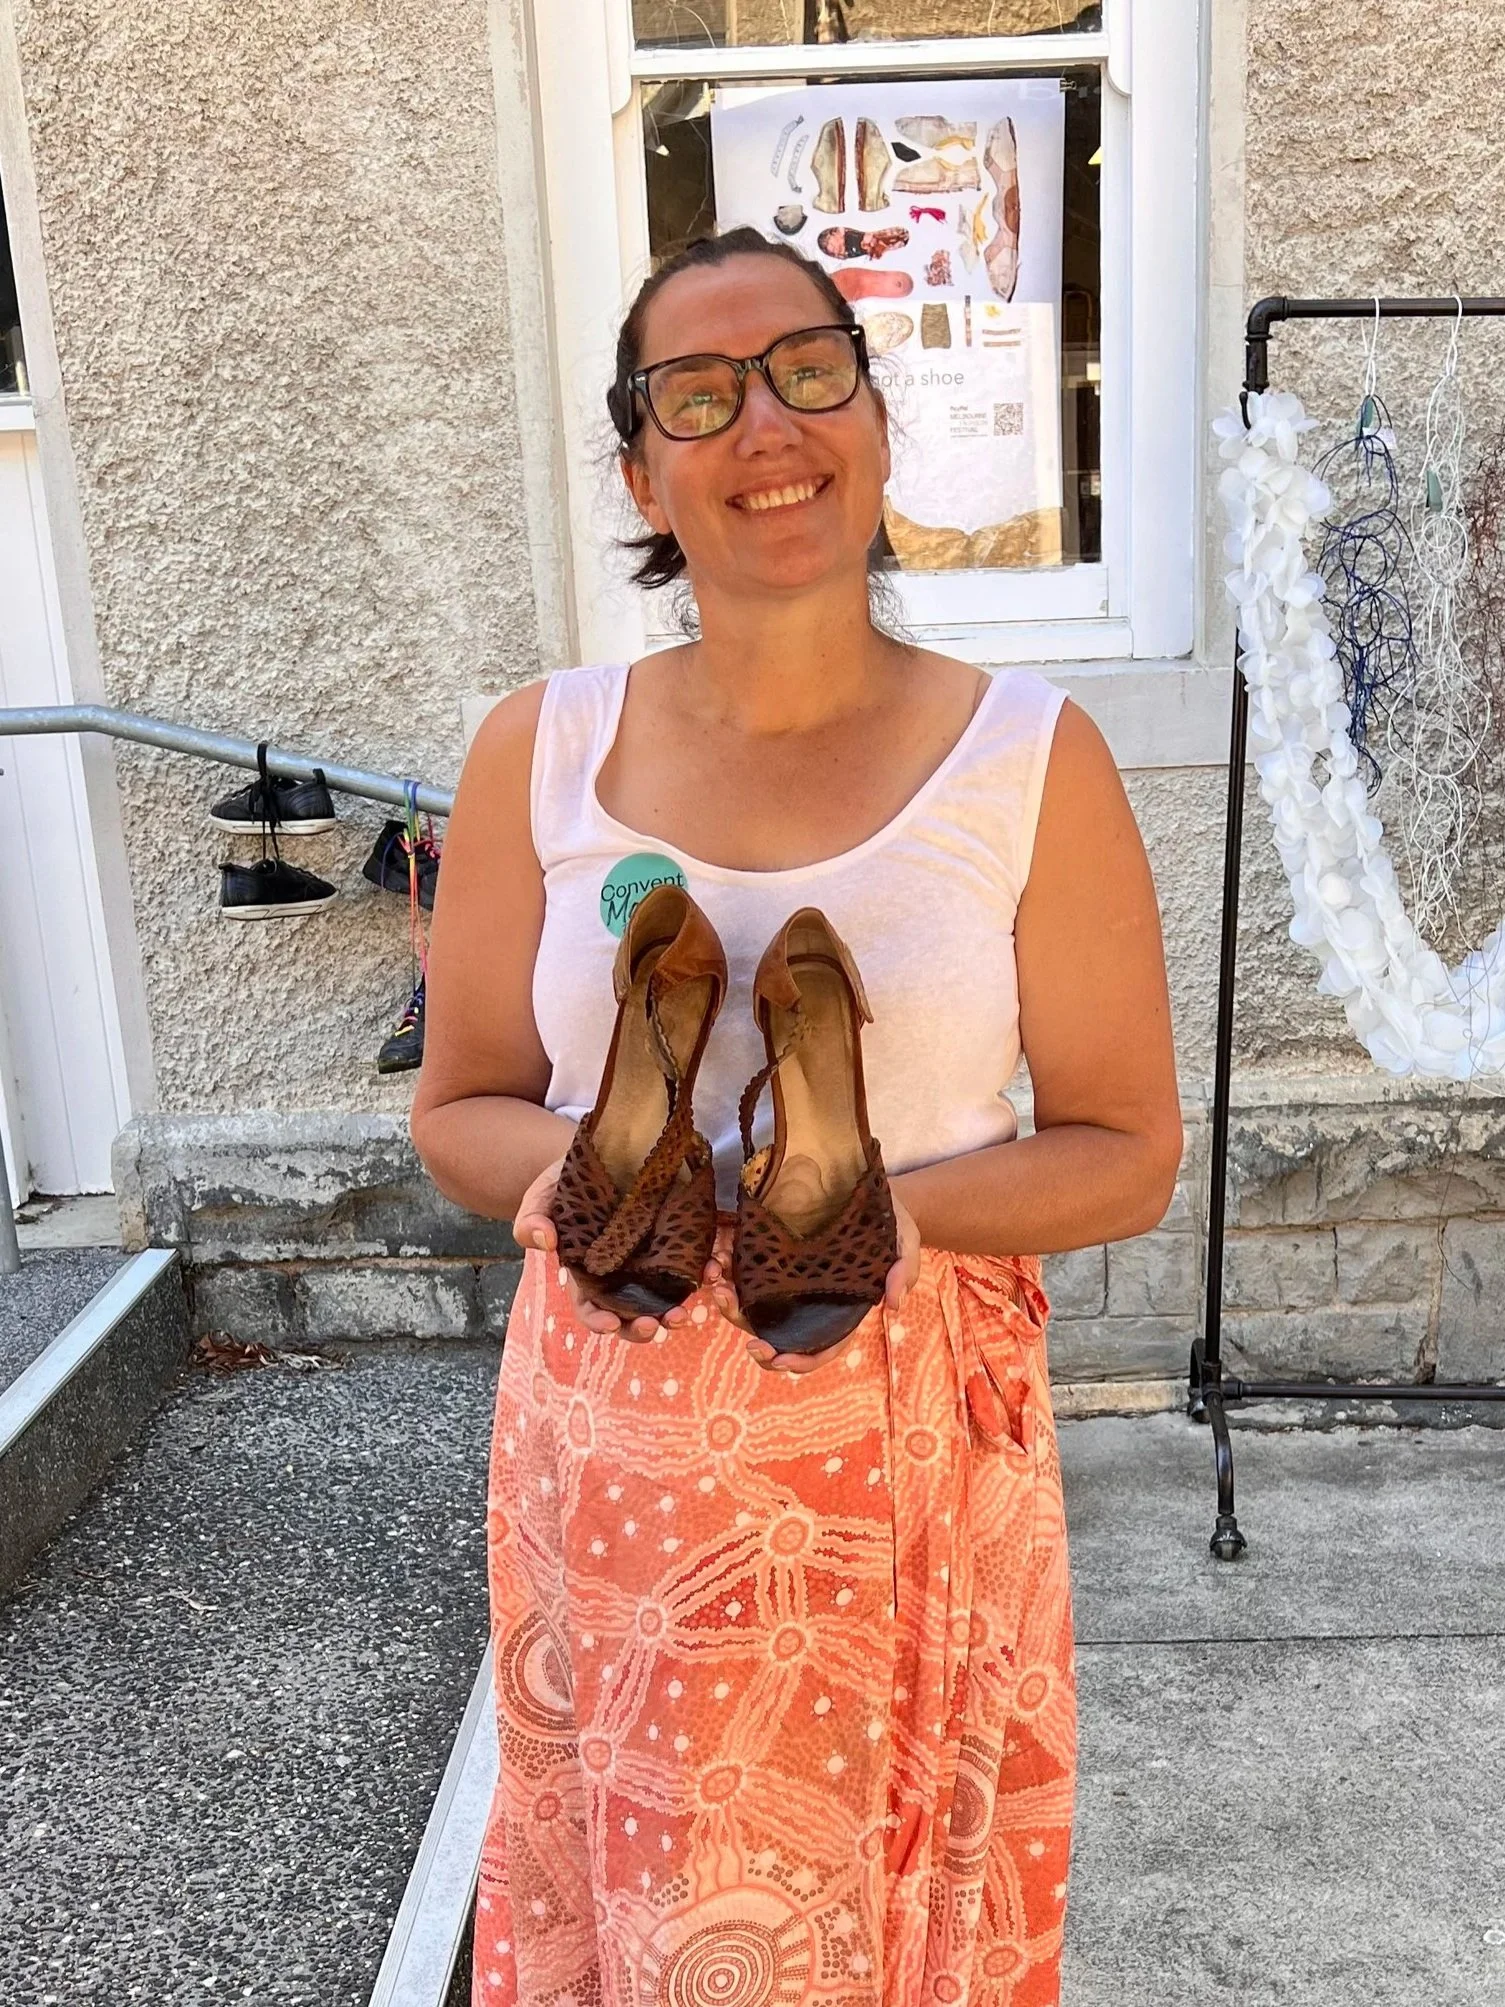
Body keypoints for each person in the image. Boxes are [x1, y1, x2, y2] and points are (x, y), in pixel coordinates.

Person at [410, 226, 1182, 2007]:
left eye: (807, 370)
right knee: (635, 1882)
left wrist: (901, 1212)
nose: (766, 425)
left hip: (904, 1418)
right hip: (610, 1421)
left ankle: (756, 1132)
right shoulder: (538, 750)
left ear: (878, 422)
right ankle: (667, 1139)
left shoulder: (1029, 758)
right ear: (640, 474)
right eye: (698, 395)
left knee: (888, 1906)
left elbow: (1128, 1148)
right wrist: (591, 1184)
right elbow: (456, 1109)